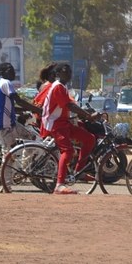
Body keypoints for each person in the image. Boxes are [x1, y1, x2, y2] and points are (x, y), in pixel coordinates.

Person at [40, 63, 100, 195]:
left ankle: (79, 172)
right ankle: (59, 185)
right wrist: (88, 116)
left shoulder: (64, 87)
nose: (68, 74)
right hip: (55, 124)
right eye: (64, 71)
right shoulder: (58, 87)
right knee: (68, 151)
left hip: (64, 123)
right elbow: (69, 106)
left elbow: (72, 104)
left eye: (69, 72)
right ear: (57, 74)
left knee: (89, 139)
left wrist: (85, 113)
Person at [0, 63, 41, 162]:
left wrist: (23, 112)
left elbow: (10, 107)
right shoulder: (5, 83)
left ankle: (26, 168)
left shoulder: (0, 85)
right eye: (9, 69)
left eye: (13, 69)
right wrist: (38, 110)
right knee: (9, 156)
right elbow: (18, 100)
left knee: (31, 138)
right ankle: (7, 177)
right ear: (2, 73)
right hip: (4, 126)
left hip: (12, 124)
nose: (13, 72)